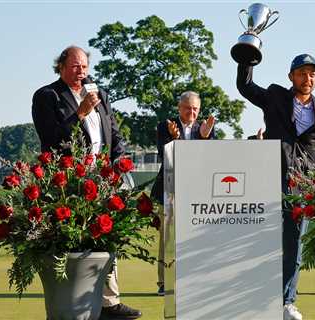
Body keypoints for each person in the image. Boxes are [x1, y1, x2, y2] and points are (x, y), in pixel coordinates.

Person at [31, 46, 142, 320]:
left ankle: (109, 302)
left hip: (102, 179)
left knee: (108, 235)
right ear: (61, 67)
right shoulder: (48, 96)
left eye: (84, 67)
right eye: (75, 67)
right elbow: (52, 140)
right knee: (75, 241)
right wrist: (79, 114)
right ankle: (72, 303)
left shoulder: (100, 94)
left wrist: (118, 164)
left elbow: (114, 136)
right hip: (67, 182)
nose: (81, 72)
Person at [237, 54, 315, 320]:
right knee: (258, 241)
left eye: (313, 74)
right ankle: (250, 297)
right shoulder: (275, 97)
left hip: (303, 187)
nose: (308, 78)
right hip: (268, 178)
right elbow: (245, 87)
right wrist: (248, 51)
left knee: (293, 246)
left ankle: (286, 302)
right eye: (302, 73)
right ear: (291, 76)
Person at [150, 91, 215, 296]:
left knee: (194, 237)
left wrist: (204, 139)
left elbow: (208, 159)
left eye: (195, 108)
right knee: (167, 238)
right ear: (179, 108)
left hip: (195, 192)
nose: (192, 112)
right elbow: (164, 156)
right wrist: (175, 138)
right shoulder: (165, 126)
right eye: (188, 108)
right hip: (168, 190)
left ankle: (192, 280)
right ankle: (164, 282)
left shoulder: (204, 129)